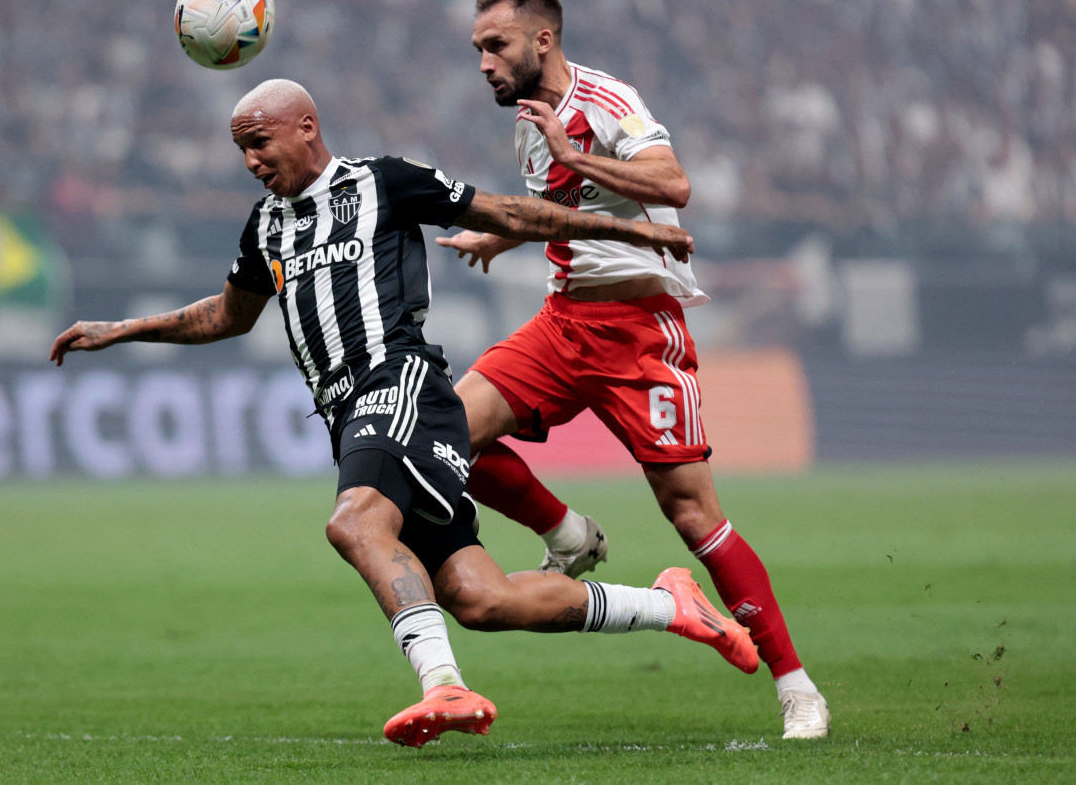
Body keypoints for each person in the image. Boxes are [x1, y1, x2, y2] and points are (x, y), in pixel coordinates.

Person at [50, 79, 756, 748]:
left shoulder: (383, 180)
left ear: (306, 127)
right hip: (348, 413)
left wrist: (631, 233)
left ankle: (445, 686)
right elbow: (228, 316)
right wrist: (125, 328)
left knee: (354, 520)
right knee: (480, 599)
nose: (251, 161)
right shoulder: (266, 226)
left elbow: (507, 212)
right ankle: (669, 603)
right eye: (242, 149)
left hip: (401, 382)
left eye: (261, 142)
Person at [435, 0, 830, 740]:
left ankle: (797, 685)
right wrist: (499, 236)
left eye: (497, 46)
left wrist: (576, 152)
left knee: (692, 514)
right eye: (477, 50)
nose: (484, 62)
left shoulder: (608, 102)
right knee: (443, 436)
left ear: (542, 40)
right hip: (562, 324)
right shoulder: (529, 125)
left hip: (640, 334)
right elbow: (560, 206)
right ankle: (568, 535)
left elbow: (672, 183)